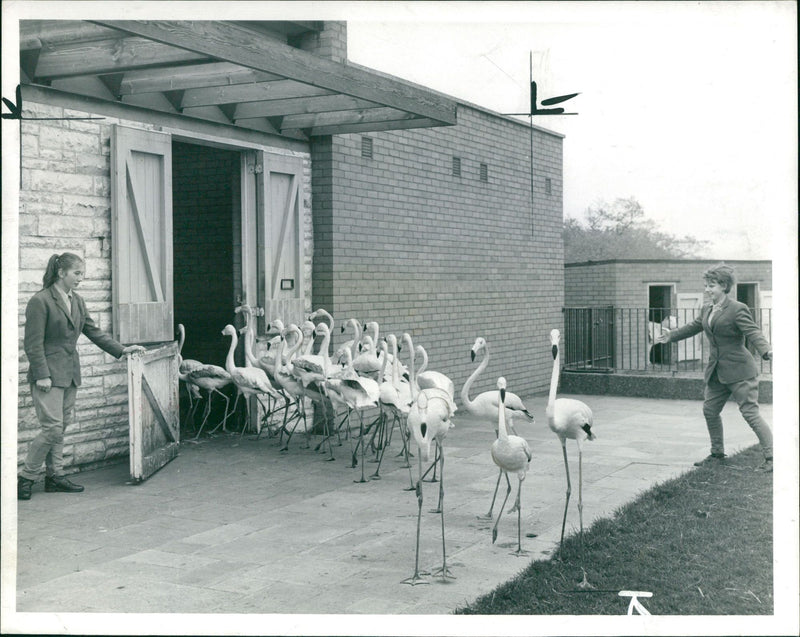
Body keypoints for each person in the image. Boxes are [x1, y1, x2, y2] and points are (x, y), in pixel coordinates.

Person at [18, 253, 145, 500]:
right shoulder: (40, 301)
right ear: (61, 273)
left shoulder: (77, 301)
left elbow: (93, 331)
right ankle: (26, 477)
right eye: (77, 273)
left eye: (82, 274)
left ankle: (55, 476)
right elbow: (33, 344)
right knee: (53, 428)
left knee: (60, 427)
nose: (81, 278)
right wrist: (42, 374)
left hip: (70, 374)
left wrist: (121, 349)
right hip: (47, 376)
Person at [655, 263, 773, 472]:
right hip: (717, 372)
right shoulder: (707, 308)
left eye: (712, 286)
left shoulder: (738, 309)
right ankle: (717, 453)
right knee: (710, 410)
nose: (707, 289)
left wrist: (766, 351)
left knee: (750, 413)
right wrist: (671, 335)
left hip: (740, 371)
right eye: (706, 285)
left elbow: (753, 332)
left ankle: (772, 457)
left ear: (724, 286)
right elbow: (695, 326)